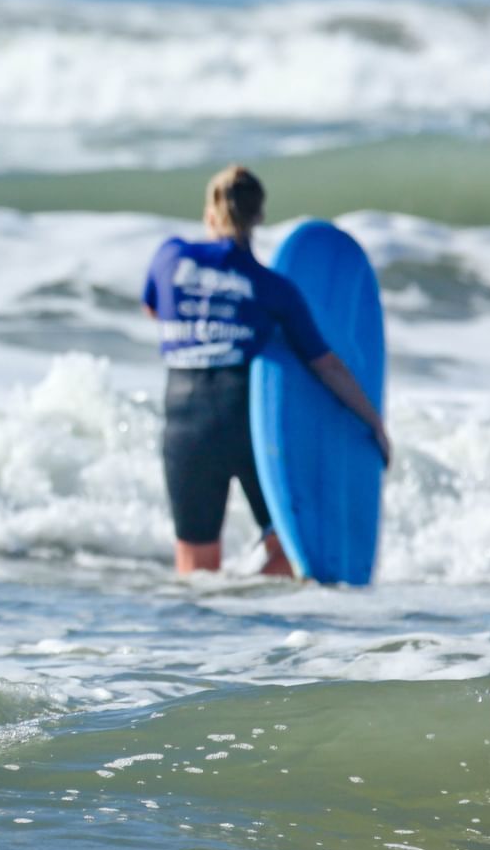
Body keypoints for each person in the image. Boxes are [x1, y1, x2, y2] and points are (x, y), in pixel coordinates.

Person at [143, 165, 391, 576]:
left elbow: (153, 308)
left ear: (209, 212)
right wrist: (373, 422)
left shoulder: (168, 258)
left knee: (194, 566)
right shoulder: (272, 287)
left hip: (183, 422)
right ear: (258, 217)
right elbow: (326, 365)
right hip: (245, 421)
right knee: (289, 551)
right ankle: (254, 618)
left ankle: (201, 634)